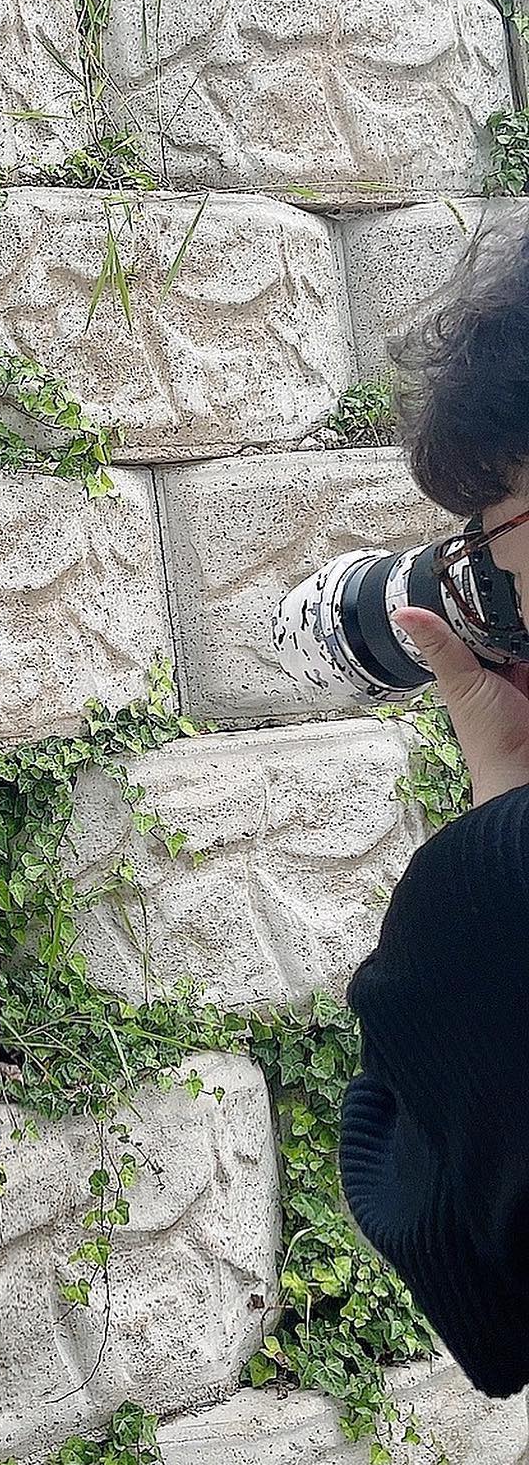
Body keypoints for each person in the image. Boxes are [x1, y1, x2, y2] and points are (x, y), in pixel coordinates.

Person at [337, 230, 529, 1398]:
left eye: (493, 532)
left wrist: (502, 806)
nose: (497, 586)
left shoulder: (492, 891)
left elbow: (484, 1304)